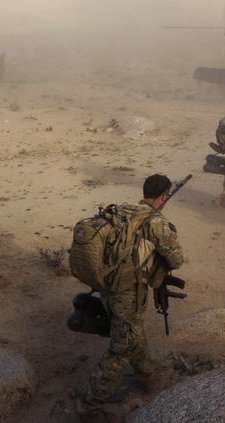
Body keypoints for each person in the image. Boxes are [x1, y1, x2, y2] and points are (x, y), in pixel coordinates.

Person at [78, 174, 185, 416]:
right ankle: (89, 404)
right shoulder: (156, 221)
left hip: (106, 284)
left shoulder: (124, 210)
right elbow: (175, 260)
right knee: (120, 349)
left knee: (132, 331)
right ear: (163, 196)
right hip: (128, 291)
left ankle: (149, 377)